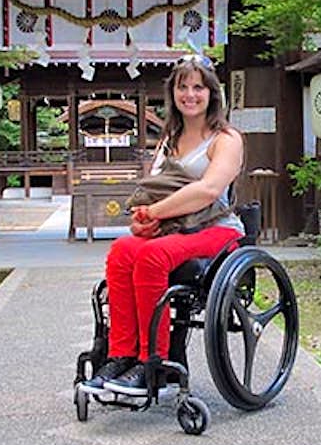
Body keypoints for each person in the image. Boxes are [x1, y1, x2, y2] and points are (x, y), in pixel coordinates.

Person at [85, 52, 245, 396]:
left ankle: (152, 362)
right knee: (123, 250)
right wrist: (141, 219)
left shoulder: (226, 139)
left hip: (216, 229)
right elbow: (152, 189)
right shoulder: (168, 138)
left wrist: (155, 212)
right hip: (172, 226)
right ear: (173, 93)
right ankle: (121, 353)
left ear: (212, 92)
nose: (190, 94)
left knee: (152, 257)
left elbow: (208, 190)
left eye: (198, 87)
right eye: (183, 87)